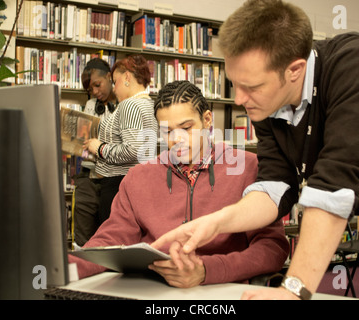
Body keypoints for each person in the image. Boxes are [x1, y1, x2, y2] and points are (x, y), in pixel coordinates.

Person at [152, 0, 359, 300]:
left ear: (294, 70)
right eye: (234, 84)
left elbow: (336, 184)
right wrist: (216, 222)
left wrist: (293, 290)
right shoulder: (268, 103)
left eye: (251, 86)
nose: (239, 99)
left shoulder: (357, 65)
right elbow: (275, 187)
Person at [69, 80, 290, 288]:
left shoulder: (248, 168)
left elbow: (272, 248)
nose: (177, 139)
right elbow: (110, 240)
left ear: (207, 120)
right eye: (167, 131)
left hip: (223, 290)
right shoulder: (138, 177)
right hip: (155, 291)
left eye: (186, 128)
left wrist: (206, 271)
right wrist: (64, 269)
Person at [83, 54, 157, 225]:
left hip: (118, 185)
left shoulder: (129, 105)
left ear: (127, 77)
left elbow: (133, 150)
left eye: (115, 82)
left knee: (112, 241)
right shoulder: (149, 104)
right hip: (138, 183)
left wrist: (99, 148)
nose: (114, 89)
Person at [73, 58, 117, 246]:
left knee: (109, 237)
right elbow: (84, 145)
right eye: (91, 90)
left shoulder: (126, 106)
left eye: (98, 85)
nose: (96, 92)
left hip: (112, 179)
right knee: (83, 238)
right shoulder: (91, 105)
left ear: (109, 76)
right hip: (88, 176)